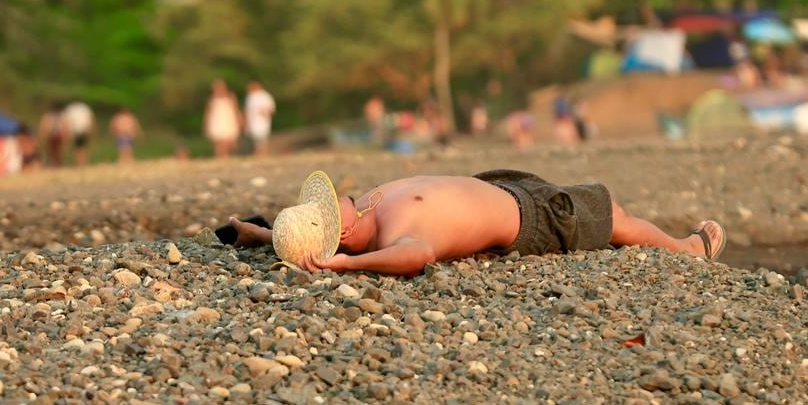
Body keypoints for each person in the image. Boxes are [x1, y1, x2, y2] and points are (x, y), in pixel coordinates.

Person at [228, 169, 726, 277]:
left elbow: (314, 241)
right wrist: (339, 267)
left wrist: (268, 235)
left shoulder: (366, 215)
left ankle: (674, 246)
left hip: (505, 187)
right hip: (532, 218)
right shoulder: (385, 235)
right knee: (613, 216)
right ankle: (688, 251)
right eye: (336, 207)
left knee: (607, 214)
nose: (342, 197)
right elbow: (416, 255)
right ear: (345, 233)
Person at [204, 80, 242, 158]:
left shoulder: (231, 96)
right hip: (216, 120)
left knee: (227, 140)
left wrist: (239, 119)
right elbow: (208, 112)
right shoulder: (211, 98)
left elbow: (236, 109)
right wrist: (206, 123)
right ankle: (219, 156)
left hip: (228, 119)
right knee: (218, 141)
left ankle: (225, 155)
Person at [243, 81, 276, 157]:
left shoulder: (265, 96)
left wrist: (266, 113)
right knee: (255, 138)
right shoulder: (250, 96)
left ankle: (263, 153)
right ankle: (258, 153)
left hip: (262, 120)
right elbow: (247, 110)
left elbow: (271, 108)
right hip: (252, 121)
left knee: (262, 137)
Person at [62, 101, 95, 166]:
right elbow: (90, 118)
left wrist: (67, 132)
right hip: (83, 129)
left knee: (77, 148)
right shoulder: (84, 107)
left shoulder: (70, 108)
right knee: (82, 147)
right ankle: (83, 163)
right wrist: (91, 129)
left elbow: (66, 121)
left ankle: (79, 163)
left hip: (75, 130)